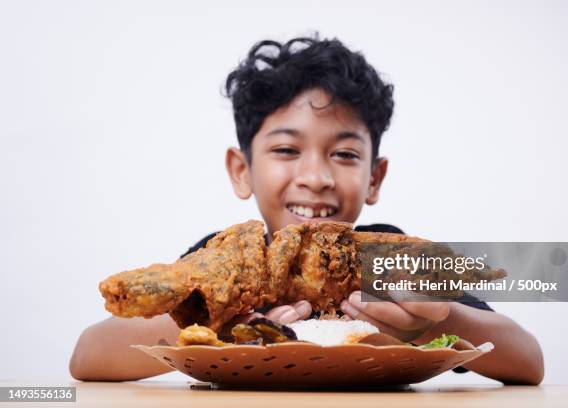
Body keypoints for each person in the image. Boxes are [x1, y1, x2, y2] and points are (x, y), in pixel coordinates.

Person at [70, 36, 544, 384]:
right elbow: (87, 357)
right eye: (286, 150)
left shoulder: (388, 263)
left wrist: (437, 323)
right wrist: (209, 316)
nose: (316, 176)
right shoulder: (217, 262)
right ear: (242, 170)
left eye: (344, 154)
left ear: (374, 178)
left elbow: (528, 361)